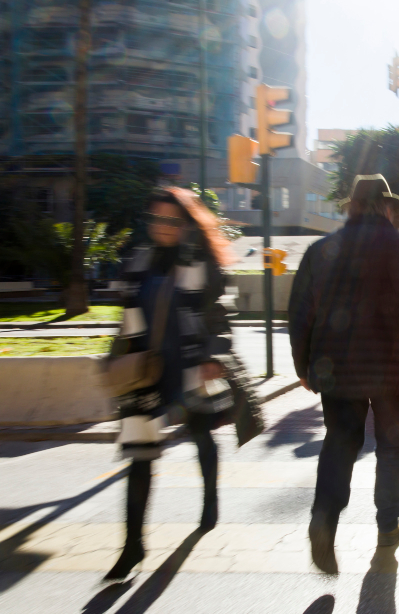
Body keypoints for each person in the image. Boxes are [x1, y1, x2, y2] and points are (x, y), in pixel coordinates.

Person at [289, 174, 399, 574]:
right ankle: (388, 524)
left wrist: (302, 366)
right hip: (394, 368)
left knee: (340, 441)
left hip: (336, 368)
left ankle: (324, 519)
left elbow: (300, 313)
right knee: (392, 444)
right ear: (387, 207)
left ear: (352, 207)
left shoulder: (321, 249)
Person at [104, 188, 236, 581]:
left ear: (187, 223)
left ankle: (210, 498)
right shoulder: (137, 261)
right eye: (157, 219)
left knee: (201, 437)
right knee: (139, 456)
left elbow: (220, 314)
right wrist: (120, 361)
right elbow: (126, 316)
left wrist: (215, 354)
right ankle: (132, 546)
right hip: (146, 372)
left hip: (192, 368)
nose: (162, 228)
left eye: (172, 221)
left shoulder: (202, 261)